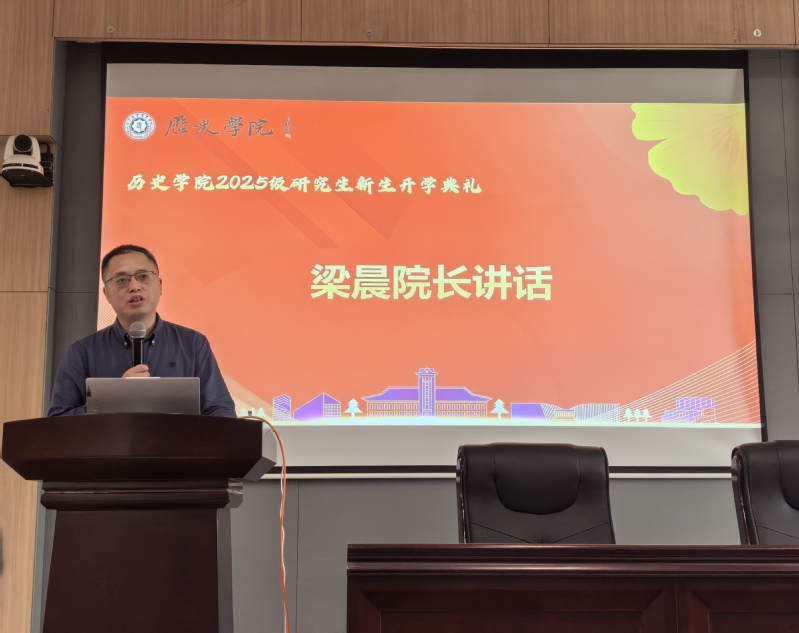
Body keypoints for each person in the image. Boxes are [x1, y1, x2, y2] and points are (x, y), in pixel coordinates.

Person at [48, 244, 236, 417]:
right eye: (121, 280)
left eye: (143, 276)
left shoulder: (193, 344)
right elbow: (58, 423)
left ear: (160, 285)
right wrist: (112, 400)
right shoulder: (82, 352)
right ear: (106, 294)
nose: (134, 286)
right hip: (109, 445)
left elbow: (222, 412)